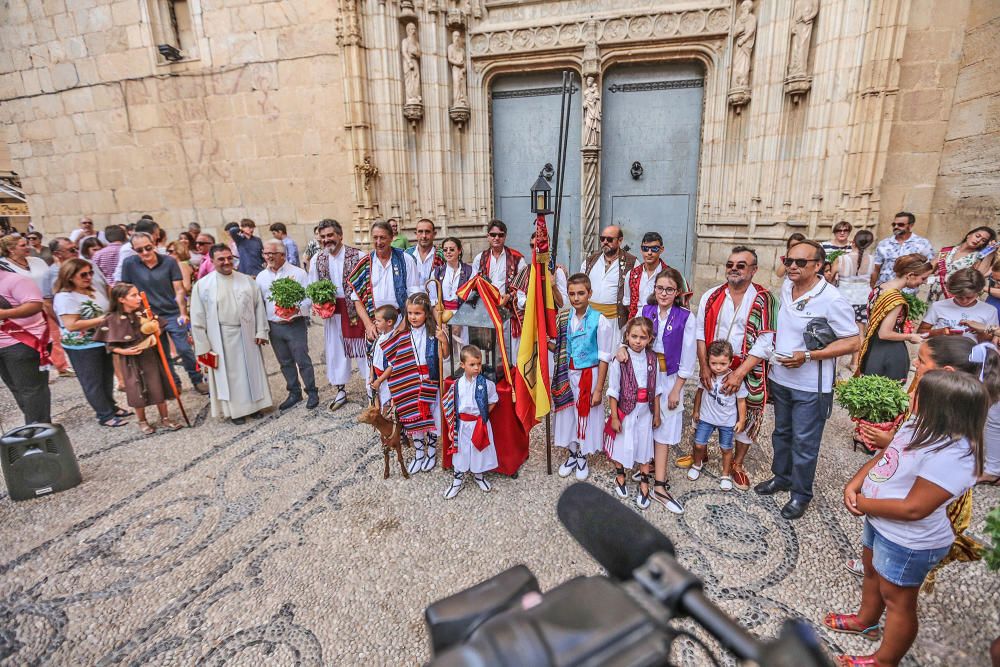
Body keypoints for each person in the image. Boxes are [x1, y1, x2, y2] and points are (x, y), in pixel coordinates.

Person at [825, 370, 983, 667]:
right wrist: (854, 484)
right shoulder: (918, 423)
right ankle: (866, 620)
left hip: (909, 541)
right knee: (871, 572)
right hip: (880, 521)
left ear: (940, 406)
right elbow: (886, 456)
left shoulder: (955, 455)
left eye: (919, 393)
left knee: (898, 600)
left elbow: (914, 508)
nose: (911, 395)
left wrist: (865, 502)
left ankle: (885, 660)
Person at [757, 240, 860, 520]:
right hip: (781, 378)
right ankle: (782, 477)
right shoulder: (788, 287)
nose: (791, 266)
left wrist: (810, 356)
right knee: (781, 434)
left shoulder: (832, 298)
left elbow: (853, 341)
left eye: (800, 262)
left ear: (818, 266)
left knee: (805, 442)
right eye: (788, 260)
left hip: (811, 386)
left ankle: (800, 495)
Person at [683, 246, 775, 491]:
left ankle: (737, 464)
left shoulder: (764, 298)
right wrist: (704, 366)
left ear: (753, 270)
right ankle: (700, 454)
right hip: (713, 365)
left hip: (748, 368)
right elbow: (701, 333)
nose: (733, 268)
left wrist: (739, 373)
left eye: (741, 265)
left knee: (747, 416)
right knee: (705, 409)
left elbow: (766, 341)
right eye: (730, 264)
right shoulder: (712, 295)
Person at [191, 244, 273, 424]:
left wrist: (260, 330)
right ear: (211, 260)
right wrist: (203, 347)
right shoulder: (203, 286)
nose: (227, 262)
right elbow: (197, 318)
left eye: (229, 258)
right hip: (221, 336)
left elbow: (259, 306)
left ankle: (257, 406)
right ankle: (237, 412)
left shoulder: (246, 280)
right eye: (221, 259)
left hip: (248, 332)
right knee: (231, 377)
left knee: (252, 372)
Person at [120, 232, 208, 394]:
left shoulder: (168, 262)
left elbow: (179, 289)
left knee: (184, 349)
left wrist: (183, 312)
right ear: (133, 250)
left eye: (148, 248)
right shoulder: (129, 264)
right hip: (149, 316)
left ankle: (197, 379)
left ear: (154, 244)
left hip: (172, 312)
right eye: (139, 250)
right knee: (162, 352)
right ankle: (173, 382)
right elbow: (126, 289)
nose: (145, 253)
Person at [550, 273, 615, 482]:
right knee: (568, 413)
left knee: (585, 414)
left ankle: (582, 454)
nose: (576, 298)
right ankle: (571, 451)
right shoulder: (563, 318)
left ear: (589, 293)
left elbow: (605, 356)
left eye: (580, 293)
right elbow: (558, 346)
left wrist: (598, 389)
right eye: (572, 294)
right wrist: (541, 341)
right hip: (566, 373)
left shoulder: (600, 320)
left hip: (589, 374)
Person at [95, 283, 182, 434]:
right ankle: (142, 421)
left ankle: (165, 418)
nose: (138, 298)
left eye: (138, 294)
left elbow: (159, 326)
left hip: (150, 357)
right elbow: (110, 346)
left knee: (157, 385)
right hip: (131, 362)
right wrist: (124, 351)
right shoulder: (112, 319)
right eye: (133, 295)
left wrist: (155, 334)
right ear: (121, 299)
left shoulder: (144, 312)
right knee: (136, 389)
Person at [52, 259, 129, 427]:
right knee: (93, 382)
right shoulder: (65, 297)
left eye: (90, 273)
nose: (89, 277)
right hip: (82, 346)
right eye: (83, 274)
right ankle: (104, 415)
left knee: (106, 377)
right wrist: (102, 320)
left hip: (101, 340)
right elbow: (71, 325)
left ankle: (111, 406)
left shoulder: (91, 290)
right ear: (70, 276)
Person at [383, 293, 450, 474]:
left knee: (431, 416)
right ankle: (419, 451)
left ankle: (430, 451)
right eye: (410, 313)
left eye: (417, 313)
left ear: (426, 313)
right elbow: (395, 360)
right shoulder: (404, 335)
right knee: (415, 417)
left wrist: (444, 341)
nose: (413, 317)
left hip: (430, 381)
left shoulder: (434, 333)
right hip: (411, 382)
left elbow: (445, 356)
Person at [308, 219, 369, 409]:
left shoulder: (358, 255)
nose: (326, 240)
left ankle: (370, 388)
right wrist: (317, 304)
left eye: (330, 235)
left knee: (362, 349)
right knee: (335, 350)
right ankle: (341, 389)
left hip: (355, 311)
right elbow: (313, 286)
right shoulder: (317, 259)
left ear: (340, 235)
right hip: (332, 312)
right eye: (323, 236)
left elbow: (367, 285)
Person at [604, 316, 661, 510]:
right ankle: (620, 475)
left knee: (645, 447)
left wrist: (657, 414)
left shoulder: (653, 359)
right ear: (627, 336)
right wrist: (613, 416)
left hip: (645, 411)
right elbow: (613, 390)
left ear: (650, 339)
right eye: (634, 336)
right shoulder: (620, 360)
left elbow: (658, 387)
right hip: (626, 410)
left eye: (642, 337)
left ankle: (644, 483)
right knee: (622, 443)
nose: (638, 341)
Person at [256, 239, 318, 411]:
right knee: (284, 362)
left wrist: (296, 309)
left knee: (302, 360)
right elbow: (259, 304)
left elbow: (308, 298)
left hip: (295, 324)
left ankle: (312, 392)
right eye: (265, 253)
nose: (268, 256)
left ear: (282, 255)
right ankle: (294, 393)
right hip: (274, 326)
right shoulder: (261, 277)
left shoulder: (298, 274)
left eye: (272, 253)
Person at [4, 234, 74, 377]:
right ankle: (42, 366)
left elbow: (47, 278)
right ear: (11, 249)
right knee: (34, 336)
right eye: (23, 245)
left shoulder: (37, 261)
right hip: (24, 306)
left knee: (54, 334)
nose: (28, 247)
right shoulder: (5, 266)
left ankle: (61, 365)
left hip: (45, 302)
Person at [858, 254, 932, 382]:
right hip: (888, 352)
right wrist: (910, 337)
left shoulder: (879, 288)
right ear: (910, 275)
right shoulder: (895, 299)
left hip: (873, 347)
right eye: (923, 278)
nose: (924, 282)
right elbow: (884, 333)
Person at [349, 219, 422, 340]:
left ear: (391, 237)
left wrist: (405, 323)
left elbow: (414, 295)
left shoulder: (406, 260)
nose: (378, 242)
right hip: (374, 324)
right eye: (375, 238)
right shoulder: (365, 263)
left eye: (382, 237)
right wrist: (368, 325)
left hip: (400, 320)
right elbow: (357, 299)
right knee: (377, 358)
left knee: (402, 358)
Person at [442, 344, 499, 499]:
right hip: (461, 425)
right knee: (461, 451)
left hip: (478, 424)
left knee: (478, 450)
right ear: (462, 365)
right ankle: (457, 480)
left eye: (479, 364)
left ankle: (478, 475)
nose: (476, 368)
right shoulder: (456, 385)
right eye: (472, 364)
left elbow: (493, 401)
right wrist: (451, 427)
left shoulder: (487, 384)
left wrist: (483, 417)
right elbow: (451, 405)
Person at [690, 340, 748, 491]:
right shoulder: (707, 376)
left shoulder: (734, 379)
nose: (717, 367)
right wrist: (696, 411)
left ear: (730, 361)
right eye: (713, 363)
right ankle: (697, 464)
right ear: (708, 360)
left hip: (726, 421)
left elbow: (741, 401)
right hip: (706, 418)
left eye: (722, 364)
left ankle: (725, 474)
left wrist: (741, 420)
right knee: (699, 444)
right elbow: (699, 393)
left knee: (726, 448)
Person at [0, 270, 51, 425]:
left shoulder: (14, 280)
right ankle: (37, 427)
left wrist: (4, 314)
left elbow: (35, 305)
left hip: (22, 343)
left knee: (32, 390)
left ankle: (40, 432)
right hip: (3, 346)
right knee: (16, 388)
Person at [470, 219, 527, 356]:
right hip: (486, 310)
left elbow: (523, 285)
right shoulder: (480, 258)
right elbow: (474, 283)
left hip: (508, 309)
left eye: (500, 235)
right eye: (493, 235)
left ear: (505, 236)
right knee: (488, 348)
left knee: (508, 349)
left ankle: (509, 375)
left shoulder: (517, 258)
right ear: (488, 236)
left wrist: (509, 296)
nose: (496, 238)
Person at [919, 268, 998, 342]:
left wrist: (980, 331)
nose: (964, 301)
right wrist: (941, 332)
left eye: (969, 297)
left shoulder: (990, 311)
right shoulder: (938, 306)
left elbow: (990, 340)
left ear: (979, 292)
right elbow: (920, 333)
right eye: (959, 297)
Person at [581, 225, 636, 330]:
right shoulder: (590, 261)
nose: (605, 242)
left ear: (620, 241)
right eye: (602, 239)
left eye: (609, 239)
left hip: (616, 321)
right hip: (591, 320)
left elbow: (635, 295)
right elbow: (580, 286)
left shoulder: (632, 263)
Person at [835, 229, 876, 370]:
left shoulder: (843, 259)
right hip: (863, 298)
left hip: (844, 298)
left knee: (839, 330)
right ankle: (855, 363)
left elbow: (830, 277)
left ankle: (835, 364)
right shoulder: (872, 260)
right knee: (860, 332)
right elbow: (872, 280)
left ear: (853, 242)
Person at [927, 225, 996, 302]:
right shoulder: (947, 250)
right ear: (969, 235)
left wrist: (991, 252)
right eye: (977, 236)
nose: (978, 240)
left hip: (958, 297)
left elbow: (979, 275)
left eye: (983, 240)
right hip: (934, 295)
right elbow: (929, 269)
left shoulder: (977, 257)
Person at [626, 231, 687, 318]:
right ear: (641, 249)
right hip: (637, 324)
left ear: (661, 249)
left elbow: (682, 304)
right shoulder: (631, 274)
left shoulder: (672, 275)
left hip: (663, 323)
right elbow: (628, 303)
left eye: (654, 249)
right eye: (645, 249)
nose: (649, 252)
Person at [871, 212, 935, 288]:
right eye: (894, 224)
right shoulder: (884, 244)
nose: (896, 227)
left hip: (909, 292)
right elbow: (876, 269)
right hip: (885, 291)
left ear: (911, 225)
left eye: (900, 225)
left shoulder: (922, 243)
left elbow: (930, 266)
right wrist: (873, 288)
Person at [432, 236, 473, 348]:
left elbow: (472, 299)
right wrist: (441, 323)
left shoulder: (470, 271)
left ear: (459, 251)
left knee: (464, 350)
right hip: (442, 319)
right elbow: (433, 301)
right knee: (446, 353)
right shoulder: (436, 272)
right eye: (445, 250)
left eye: (452, 249)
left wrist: (458, 322)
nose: (448, 252)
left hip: (464, 319)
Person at [368, 304, 399, 409]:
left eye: (378, 321)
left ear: (389, 322)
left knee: (387, 407)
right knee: (377, 404)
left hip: (387, 381)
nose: (375, 323)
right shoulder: (379, 337)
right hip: (377, 378)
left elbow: (392, 366)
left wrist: (379, 380)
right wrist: (372, 375)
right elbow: (372, 357)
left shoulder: (393, 340)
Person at [112, 218, 162, 283]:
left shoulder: (153, 246)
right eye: (156, 234)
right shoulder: (127, 249)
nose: (158, 237)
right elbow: (122, 272)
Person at [406, 218, 443, 286]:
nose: (424, 236)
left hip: (436, 296)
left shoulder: (442, 255)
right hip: (412, 296)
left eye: (427, 231)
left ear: (434, 234)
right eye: (420, 231)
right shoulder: (407, 255)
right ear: (416, 234)